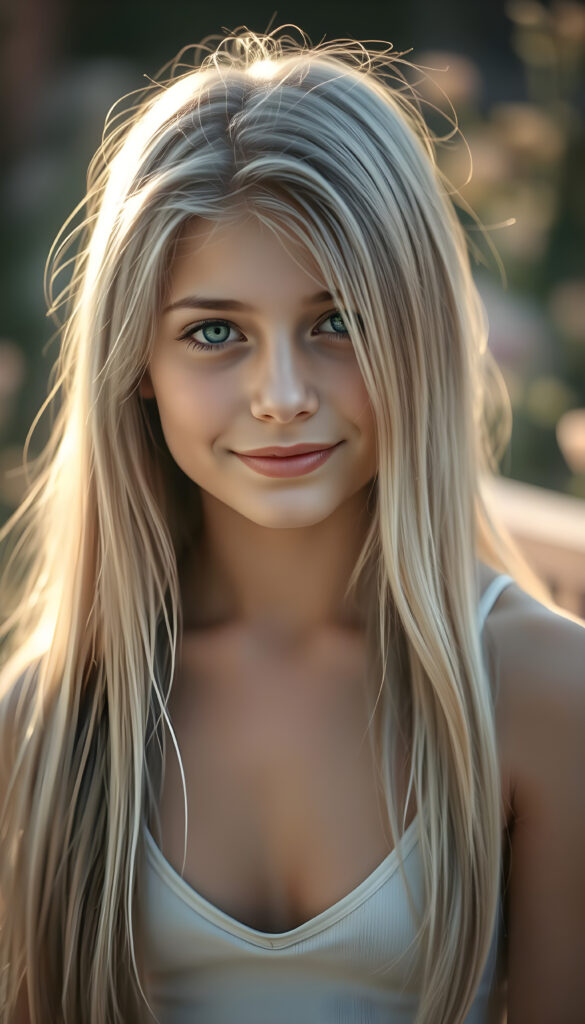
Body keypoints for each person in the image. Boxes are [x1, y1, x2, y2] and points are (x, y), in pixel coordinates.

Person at [1, 25, 584, 1024]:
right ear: (138, 362)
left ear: (420, 333)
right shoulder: (44, 723)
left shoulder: (544, 695)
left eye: (337, 321)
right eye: (215, 332)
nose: (280, 395)